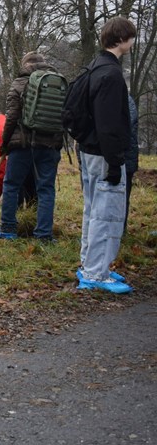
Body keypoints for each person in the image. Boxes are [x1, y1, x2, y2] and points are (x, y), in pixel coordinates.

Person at [76, 16, 136, 293]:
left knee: (92, 210)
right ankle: (97, 273)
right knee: (106, 213)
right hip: (104, 153)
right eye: (132, 37)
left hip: (88, 149)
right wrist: (115, 161)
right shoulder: (111, 75)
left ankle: (90, 264)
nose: (133, 42)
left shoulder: (93, 67)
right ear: (122, 39)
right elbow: (110, 122)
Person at [0, 52, 64, 243]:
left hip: (22, 144)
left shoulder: (19, 83)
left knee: (12, 185)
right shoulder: (58, 84)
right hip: (49, 146)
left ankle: (8, 228)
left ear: (25, 64)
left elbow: (12, 117)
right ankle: (44, 235)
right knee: (46, 189)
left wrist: (6, 143)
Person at [0, 113, 36, 213]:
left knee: (13, 180)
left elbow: (1, 173)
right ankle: (32, 214)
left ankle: (17, 215)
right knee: (28, 179)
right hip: (29, 139)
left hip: (20, 146)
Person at [124, 93, 139, 235]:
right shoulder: (129, 100)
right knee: (124, 197)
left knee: (122, 197)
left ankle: (119, 231)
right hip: (128, 156)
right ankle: (121, 229)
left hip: (123, 157)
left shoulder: (124, 100)